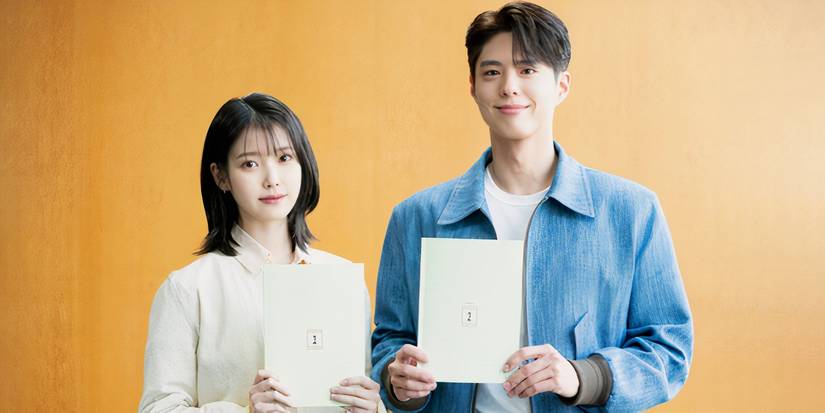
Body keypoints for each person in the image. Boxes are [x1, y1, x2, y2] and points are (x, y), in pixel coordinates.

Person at [370, 2, 693, 412]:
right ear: (472, 86)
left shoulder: (632, 212)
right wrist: (396, 380)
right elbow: (389, 341)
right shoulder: (416, 217)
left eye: (528, 70)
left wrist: (582, 376)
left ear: (561, 85)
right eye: (492, 72)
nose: (509, 86)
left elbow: (669, 350)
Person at [139, 93, 382, 413]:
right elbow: (159, 408)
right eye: (250, 163)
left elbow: (360, 389)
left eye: (284, 158)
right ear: (220, 176)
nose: (272, 179)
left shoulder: (344, 281)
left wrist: (373, 407)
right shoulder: (188, 289)